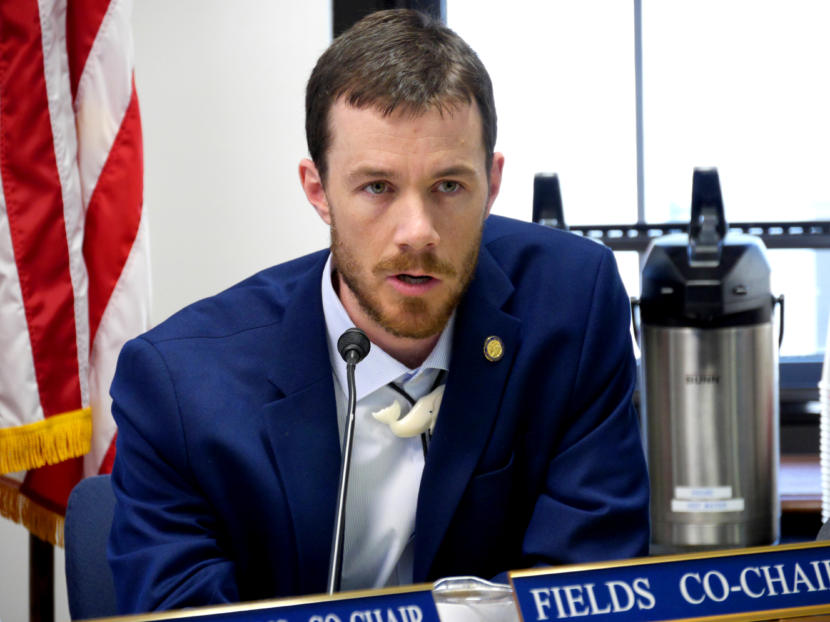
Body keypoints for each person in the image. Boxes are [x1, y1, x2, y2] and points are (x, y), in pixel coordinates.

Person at [108, 9, 649, 614]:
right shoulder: (180, 387)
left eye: (449, 186)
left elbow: (590, 585)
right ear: (318, 190)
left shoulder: (572, 304)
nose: (417, 233)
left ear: (493, 185)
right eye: (377, 188)